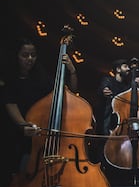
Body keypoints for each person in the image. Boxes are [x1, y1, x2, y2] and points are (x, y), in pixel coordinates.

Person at [2, 37, 77, 174]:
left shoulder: (42, 79)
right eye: (25, 55)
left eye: (33, 55)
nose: (30, 59)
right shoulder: (10, 80)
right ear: (16, 56)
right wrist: (23, 125)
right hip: (16, 137)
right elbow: (10, 103)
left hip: (40, 138)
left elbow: (68, 93)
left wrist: (72, 71)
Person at [90, 59, 131, 164]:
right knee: (103, 150)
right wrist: (104, 91)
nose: (129, 69)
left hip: (121, 124)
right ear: (118, 69)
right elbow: (102, 89)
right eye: (125, 66)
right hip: (106, 122)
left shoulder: (127, 86)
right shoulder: (108, 80)